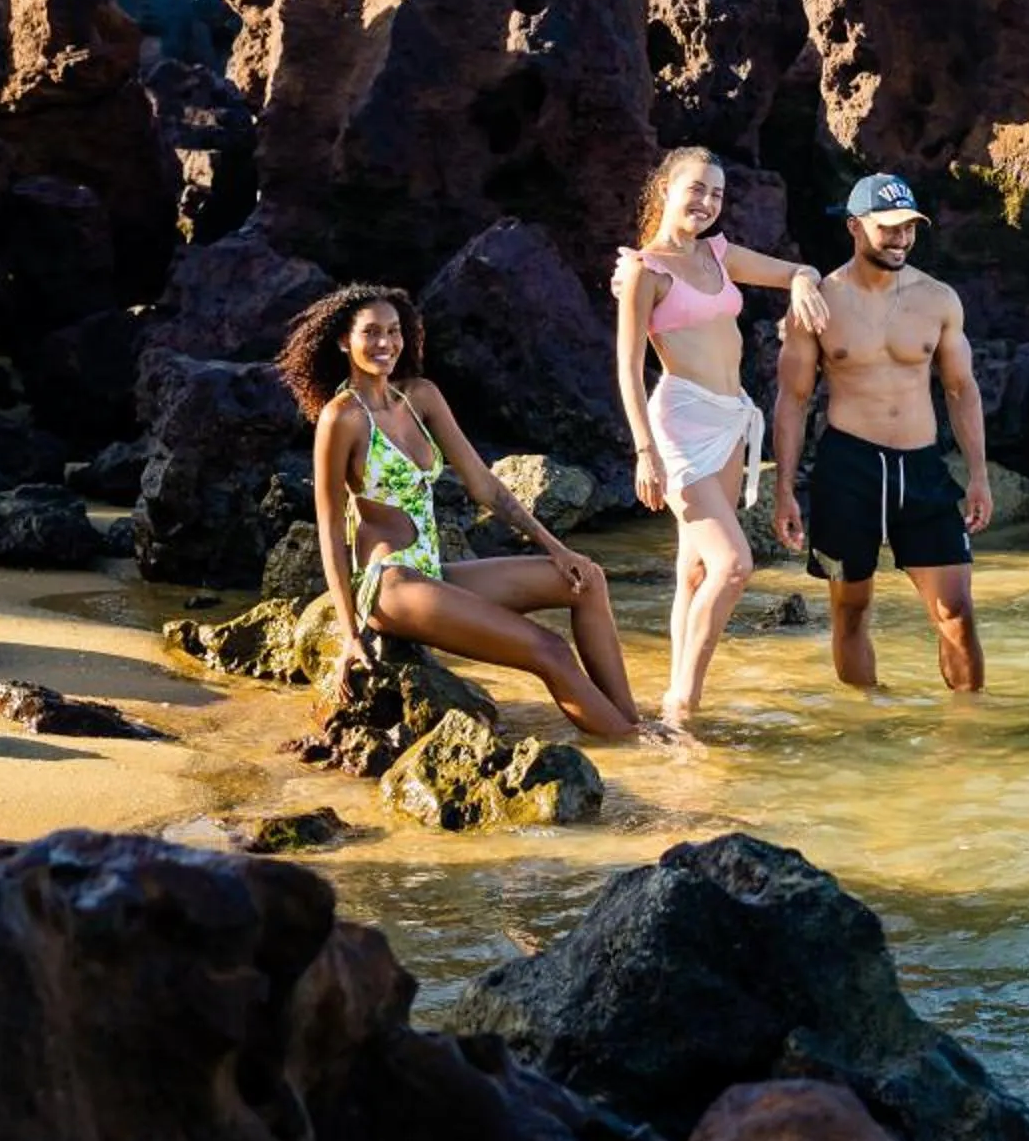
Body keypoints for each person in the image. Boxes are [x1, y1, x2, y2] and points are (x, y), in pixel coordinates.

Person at [279, 284, 648, 738]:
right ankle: (639, 747)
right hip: (389, 583)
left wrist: (558, 549)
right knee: (548, 650)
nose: (385, 344)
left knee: (587, 579)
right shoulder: (343, 419)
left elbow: (485, 487)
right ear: (343, 341)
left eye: (393, 332)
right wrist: (350, 634)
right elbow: (330, 529)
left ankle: (632, 722)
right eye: (371, 333)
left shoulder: (420, 396)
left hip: (432, 570)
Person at [612, 146, 833, 727]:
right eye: (697, 189)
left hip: (731, 417)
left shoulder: (718, 253)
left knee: (695, 571)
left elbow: (794, 271)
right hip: (680, 420)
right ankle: (684, 703)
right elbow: (628, 369)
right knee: (734, 564)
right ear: (665, 189)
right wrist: (644, 451)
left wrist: (804, 285)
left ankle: (672, 702)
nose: (707, 203)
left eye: (717, 193)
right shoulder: (642, 270)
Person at [771, 172, 991, 693]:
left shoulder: (938, 299)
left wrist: (979, 474)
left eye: (909, 228)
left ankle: (968, 738)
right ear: (854, 226)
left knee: (956, 612)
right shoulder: (819, 300)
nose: (900, 239)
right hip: (847, 469)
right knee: (851, 610)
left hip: (923, 468)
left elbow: (962, 390)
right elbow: (793, 399)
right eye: (887, 227)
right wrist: (784, 488)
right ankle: (868, 724)